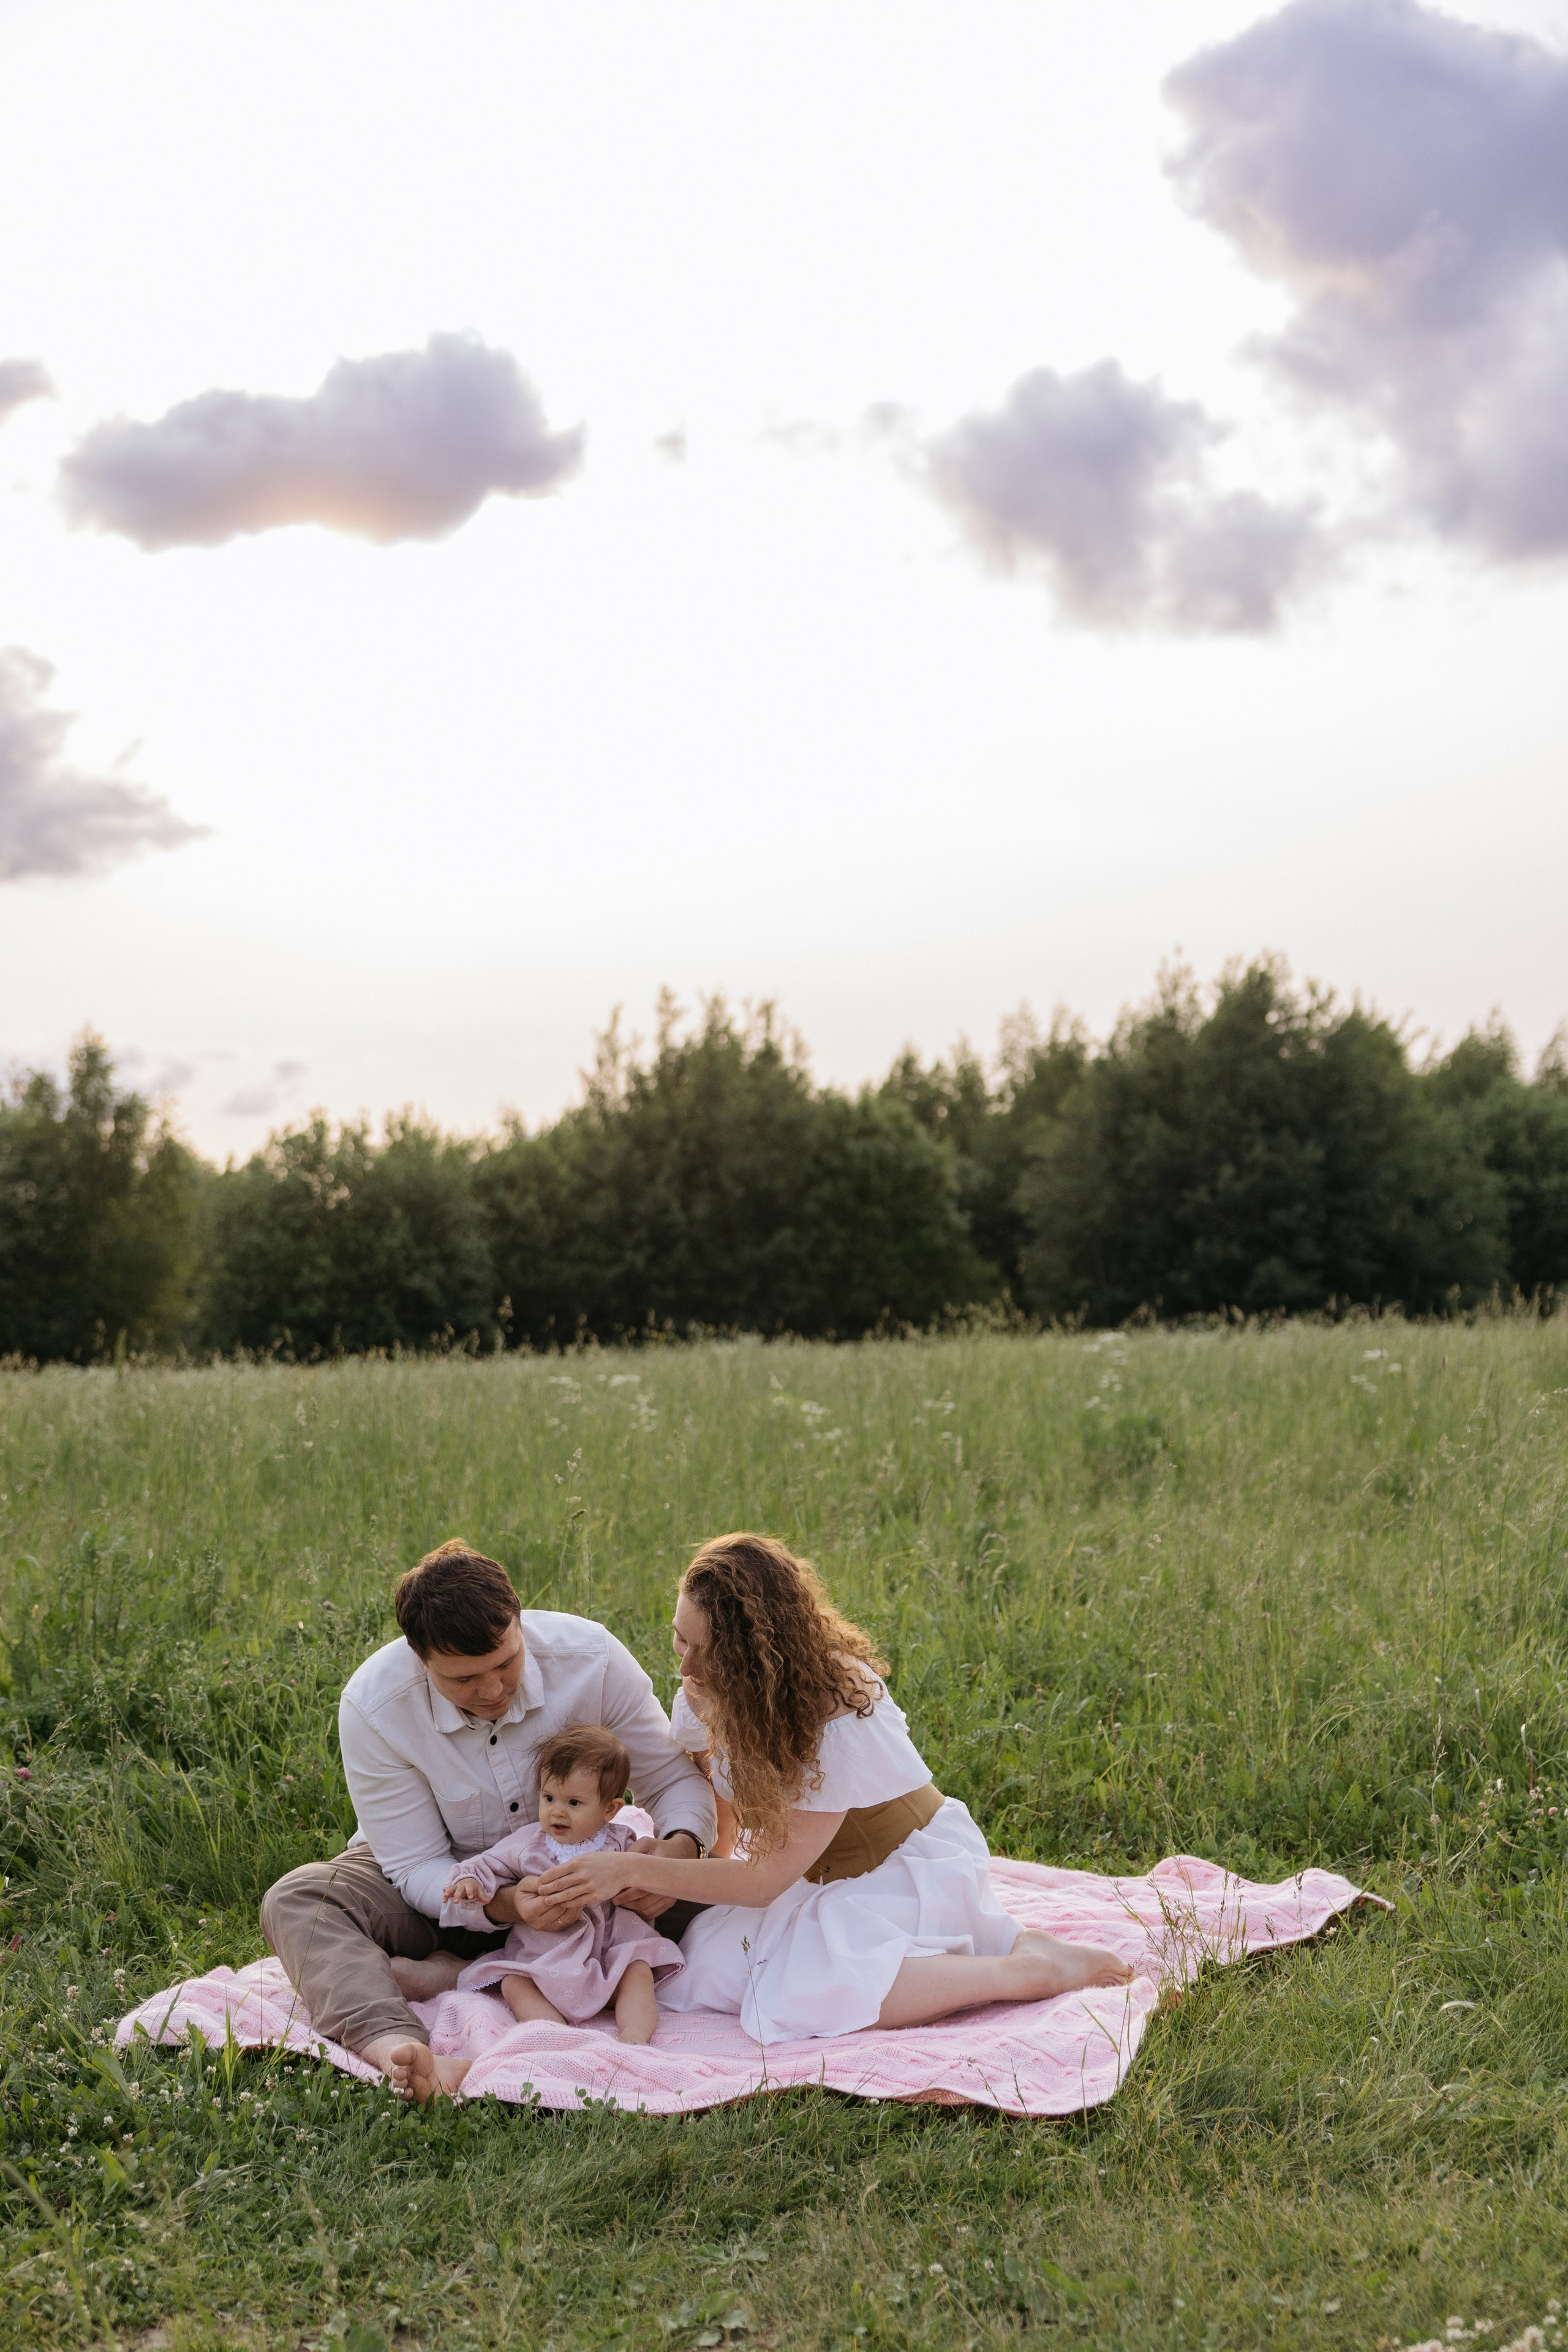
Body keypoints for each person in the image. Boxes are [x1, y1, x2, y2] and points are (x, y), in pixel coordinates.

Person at [540, 1532, 1133, 2044]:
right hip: (804, 1874)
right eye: (680, 1640)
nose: (688, 1667)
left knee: (802, 1991)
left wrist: (634, 1873)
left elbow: (763, 1878)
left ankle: (1028, 1970)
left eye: (708, 1651)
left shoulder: (838, 1707)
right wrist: (682, 1869)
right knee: (705, 1969)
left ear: (757, 1653)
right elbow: (731, 1838)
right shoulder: (703, 1692)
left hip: (900, 1871)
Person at [259, 1540, 715, 2089]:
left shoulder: (591, 1659)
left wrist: (673, 1856)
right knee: (300, 1900)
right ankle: (399, 2050)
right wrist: (504, 1907)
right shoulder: (375, 1706)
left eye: (507, 1663)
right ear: (420, 1658)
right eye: (464, 1680)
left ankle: (461, 1973)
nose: (494, 1689)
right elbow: (414, 1866)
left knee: (749, 1886)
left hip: (598, 1895)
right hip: (446, 1895)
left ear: (521, 1624)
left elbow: (670, 1781)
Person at [434, 1724, 684, 2060]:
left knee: (637, 1970)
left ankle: (634, 2041)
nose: (557, 1811)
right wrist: (469, 1882)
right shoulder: (529, 1844)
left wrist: (648, 1876)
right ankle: (557, 2039)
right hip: (544, 1963)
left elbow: (649, 1869)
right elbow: (486, 1864)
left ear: (610, 1809)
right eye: (549, 1798)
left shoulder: (621, 1844)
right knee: (513, 1983)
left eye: (574, 1802)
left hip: (607, 1959)